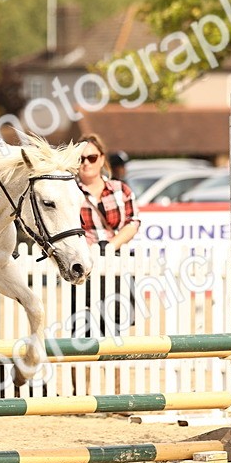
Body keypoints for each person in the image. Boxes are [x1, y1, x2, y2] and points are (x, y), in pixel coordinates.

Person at [75, 133, 140, 336]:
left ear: (102, 158)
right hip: (84, 264)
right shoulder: (69, 190)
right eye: (81, 158)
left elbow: (133, 221)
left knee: (116, 325)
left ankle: (116, 368)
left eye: (92, 157)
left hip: (116, 259)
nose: (86, 163)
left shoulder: (120, 190)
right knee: (82, 326)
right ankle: (82, 369)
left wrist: (110, 247)